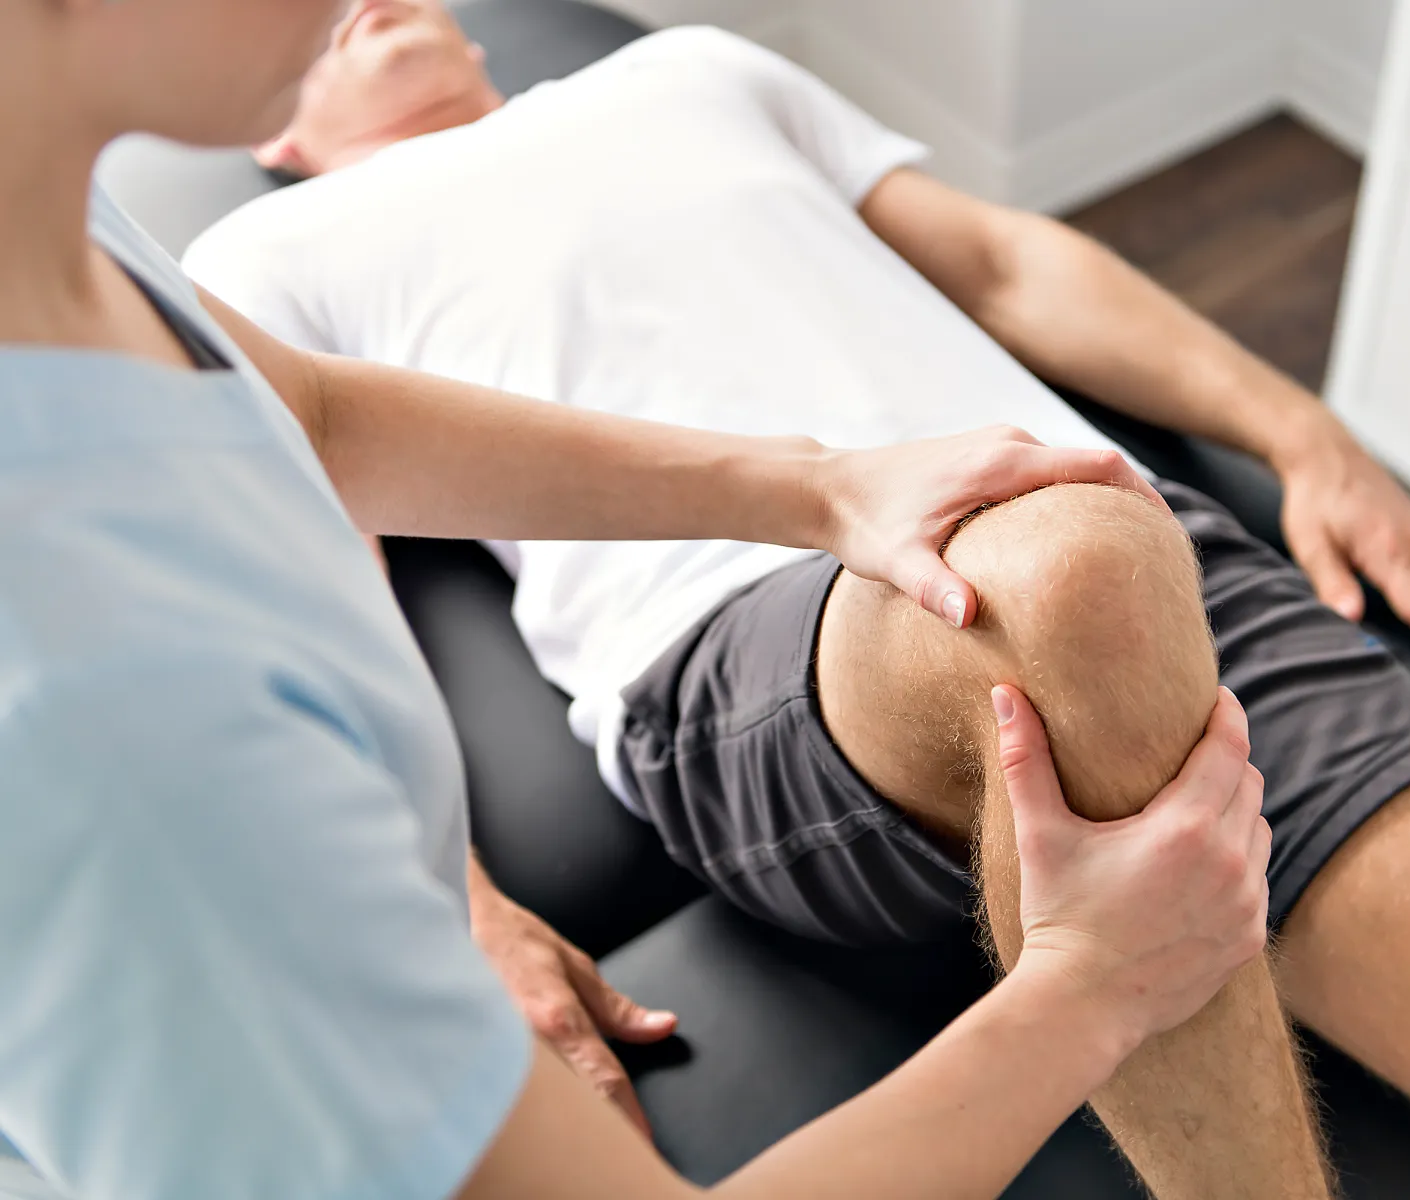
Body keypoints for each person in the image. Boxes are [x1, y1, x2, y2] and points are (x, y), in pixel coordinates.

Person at [182, 9, 1410, 1199]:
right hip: (756, 654)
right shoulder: (264, 264)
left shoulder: (685, 71)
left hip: (1127, 546)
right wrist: (458, 901)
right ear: (271, 136)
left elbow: (1004, 262)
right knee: (1059, 569)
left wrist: (1304, 432)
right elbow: (308, 583)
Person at [0, 2, 1272, 1199]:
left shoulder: (53, 218)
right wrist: (1092, 987)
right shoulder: (110, 721)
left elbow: (314, 411)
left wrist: (819, 488)